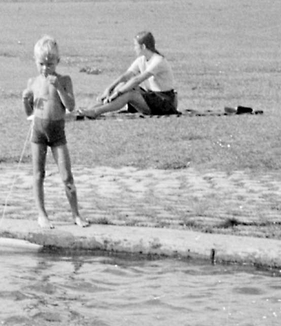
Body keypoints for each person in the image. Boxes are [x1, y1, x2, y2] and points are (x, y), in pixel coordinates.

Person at [22, 35, 89, 229]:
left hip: (58, 133)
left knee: (66, 175)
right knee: (38, 174)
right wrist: (25, 101)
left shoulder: (65, 80)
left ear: (57, 62)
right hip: (38, 133)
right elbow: (29, 114)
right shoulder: (33, 82)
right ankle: (42, 214)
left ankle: (76, 214)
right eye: (41, 64)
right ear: (36, 62)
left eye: (50, 64)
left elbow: (70, 105)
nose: (45, 68)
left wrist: (58, 87)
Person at [79, 30, 178, 119]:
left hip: (165, 101)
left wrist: (118, 93)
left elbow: (137, 80)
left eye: (135, 46)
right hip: (153, 97)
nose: (134, 48)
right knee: (122, 85)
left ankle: (96, 112)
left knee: (130, 93)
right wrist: (109, 89)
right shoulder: (142, 60)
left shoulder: (158, 61)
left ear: (143, 46)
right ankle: (89, 109)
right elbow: (126, 76)